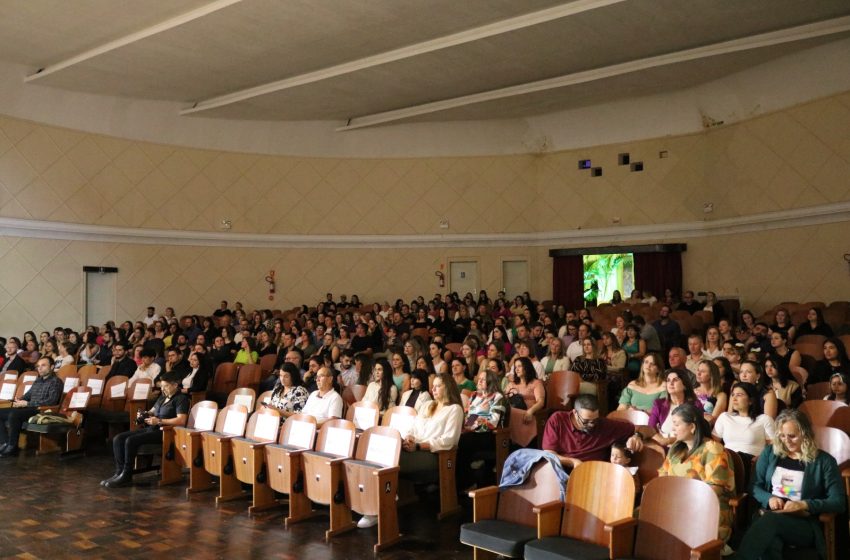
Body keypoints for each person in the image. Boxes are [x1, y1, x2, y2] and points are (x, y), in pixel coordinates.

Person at [733, 409, 846, 560]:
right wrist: (769, 498)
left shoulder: (824, 461)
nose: (786, 441)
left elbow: (838, 502)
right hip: (769, 515)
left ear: (805, 434)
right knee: (771, 540)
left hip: (803, 523)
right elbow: (754, 486)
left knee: (769, 522)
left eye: (792, 436)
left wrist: (804, 505)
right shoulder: (770, 453)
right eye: (782, 436)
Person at [658, 403, 735, 547]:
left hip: (706, 507)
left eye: (676, 424)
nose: (672, 429)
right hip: (675, 502)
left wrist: (683, 501)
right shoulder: (676, 448)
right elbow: (662, 477)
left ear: (692, 427)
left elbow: (715, 488)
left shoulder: (712, 448)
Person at [101, 371, 189, 487]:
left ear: (175, 385)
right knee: (118, 438)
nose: (163, 389)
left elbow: (181, 420)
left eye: (166, 386)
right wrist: (144, 414)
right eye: (162, 386)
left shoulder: (181, 399)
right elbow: (152, 410)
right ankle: (119, 472)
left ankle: (127, 475)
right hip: (153, 428)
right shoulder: (163, 397)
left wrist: (159, 421)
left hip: (166, 432)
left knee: (130, 441)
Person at [542, 394, 644, 468]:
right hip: (561, 470)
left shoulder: (605, 425)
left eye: (594, 420)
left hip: (594, 473)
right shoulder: (558, 420)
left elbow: (646, 429)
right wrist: (573, 462)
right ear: (575, 413)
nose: (591, 424)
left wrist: (637, 435)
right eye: (586, 421)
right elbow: (549, 454)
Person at [0, 357, 63, 457]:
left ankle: (12, 446)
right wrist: (19, 401)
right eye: (38, 366)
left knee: (14, 414)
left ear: (52, 367)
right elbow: (28, 395)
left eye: (43, 365)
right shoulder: (37, 381)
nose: (40, 368)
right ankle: (4, 443)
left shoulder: (56, 381)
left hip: (41, 410)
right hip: (29, 408)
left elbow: (51, 401)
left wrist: (27, 404)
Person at [713, 382, 775, 472]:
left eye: (739, 395)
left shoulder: (764, 419)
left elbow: (774, 447)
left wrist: (761, 458)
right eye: (733, 395)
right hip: (727, 460)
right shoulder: (725, 417)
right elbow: (713, 443)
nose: (734, 398)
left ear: (750, 400)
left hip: (752, 462)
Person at [648, 368, 703, 447]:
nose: (671, 383)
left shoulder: (695, 404)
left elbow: (697, 431)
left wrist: (668, 441)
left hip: (686, 447)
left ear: (685, 385)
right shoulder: (658, 404)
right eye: (668, 380)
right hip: (662, 446)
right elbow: (650, 429)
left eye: (675, 380)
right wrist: (661, 441)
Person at [504, 356, 544, 425]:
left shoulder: (536, 383)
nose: (516, 369)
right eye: (515, 367)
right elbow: (503, 399)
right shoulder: (511, 384)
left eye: (519, 366)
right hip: (511, 415)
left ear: (526, 367)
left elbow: (540, 402)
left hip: (527, 416)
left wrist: (530, 411)